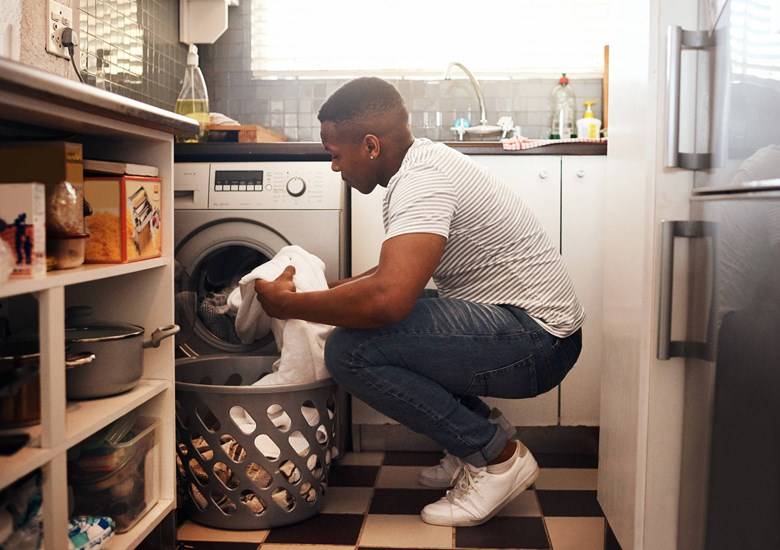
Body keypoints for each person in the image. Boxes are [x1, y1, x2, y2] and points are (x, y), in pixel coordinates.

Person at [254, 77, 584, 526]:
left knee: (351, 350)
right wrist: (326, 292)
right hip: (533, 329)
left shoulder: (422, 181)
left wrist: (290, 306)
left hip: (539, 341)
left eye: (335, 155)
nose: (334, 168)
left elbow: (389, 299)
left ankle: (498, 458)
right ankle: (475, 441)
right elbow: (391, 274)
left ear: (370, 145)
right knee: (382, 324)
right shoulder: (422, 164)